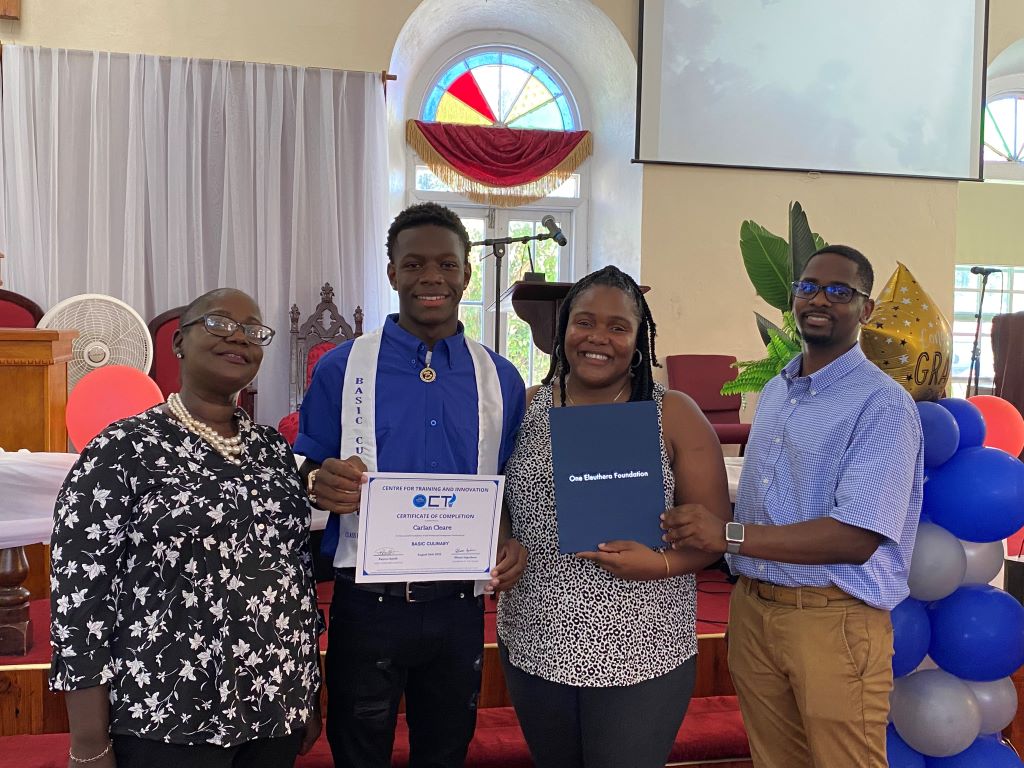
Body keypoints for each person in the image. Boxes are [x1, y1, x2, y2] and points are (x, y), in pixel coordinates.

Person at [664, 245, 924, 768]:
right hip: (756, 613)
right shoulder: (781, 389)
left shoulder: (882, 404)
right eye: (808, 287)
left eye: (839, 291)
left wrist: (728, 535)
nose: (819, 299)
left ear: (865, 309)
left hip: (833, 623)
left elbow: (857, 538)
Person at [295, 202, 527, 768]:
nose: (432, 277)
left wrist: (512, 538)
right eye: (415, 263)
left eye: (447, 265)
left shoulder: (500, 377)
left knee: (446, 752)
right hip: (368, 604)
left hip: (458, 608)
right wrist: (318, 482)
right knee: (358, 753)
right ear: (392, 271)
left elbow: (512, 487)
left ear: (466, 274)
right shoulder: (341, 368)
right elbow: (304, 468)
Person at [49, 288, 322, 768]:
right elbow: (79, 599)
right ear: (178, 342)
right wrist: (88, 741)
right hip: (165, 717)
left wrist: (308, 693)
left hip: (273, 709)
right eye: (218, 323)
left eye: (253, 331)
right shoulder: (122, 449)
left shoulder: (272, 450)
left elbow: (295, 580)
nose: (238, 336)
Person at [496, 265, 732, 768]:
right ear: (563, 332)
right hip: (536, 641)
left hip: (641, 649)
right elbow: (501, 503)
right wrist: (504, 541)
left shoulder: (674, 414)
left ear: (638, 339)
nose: (598, 337)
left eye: (617, 327)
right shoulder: (527, 408)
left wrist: (661, 564)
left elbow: (713, 535)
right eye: (584, 322)